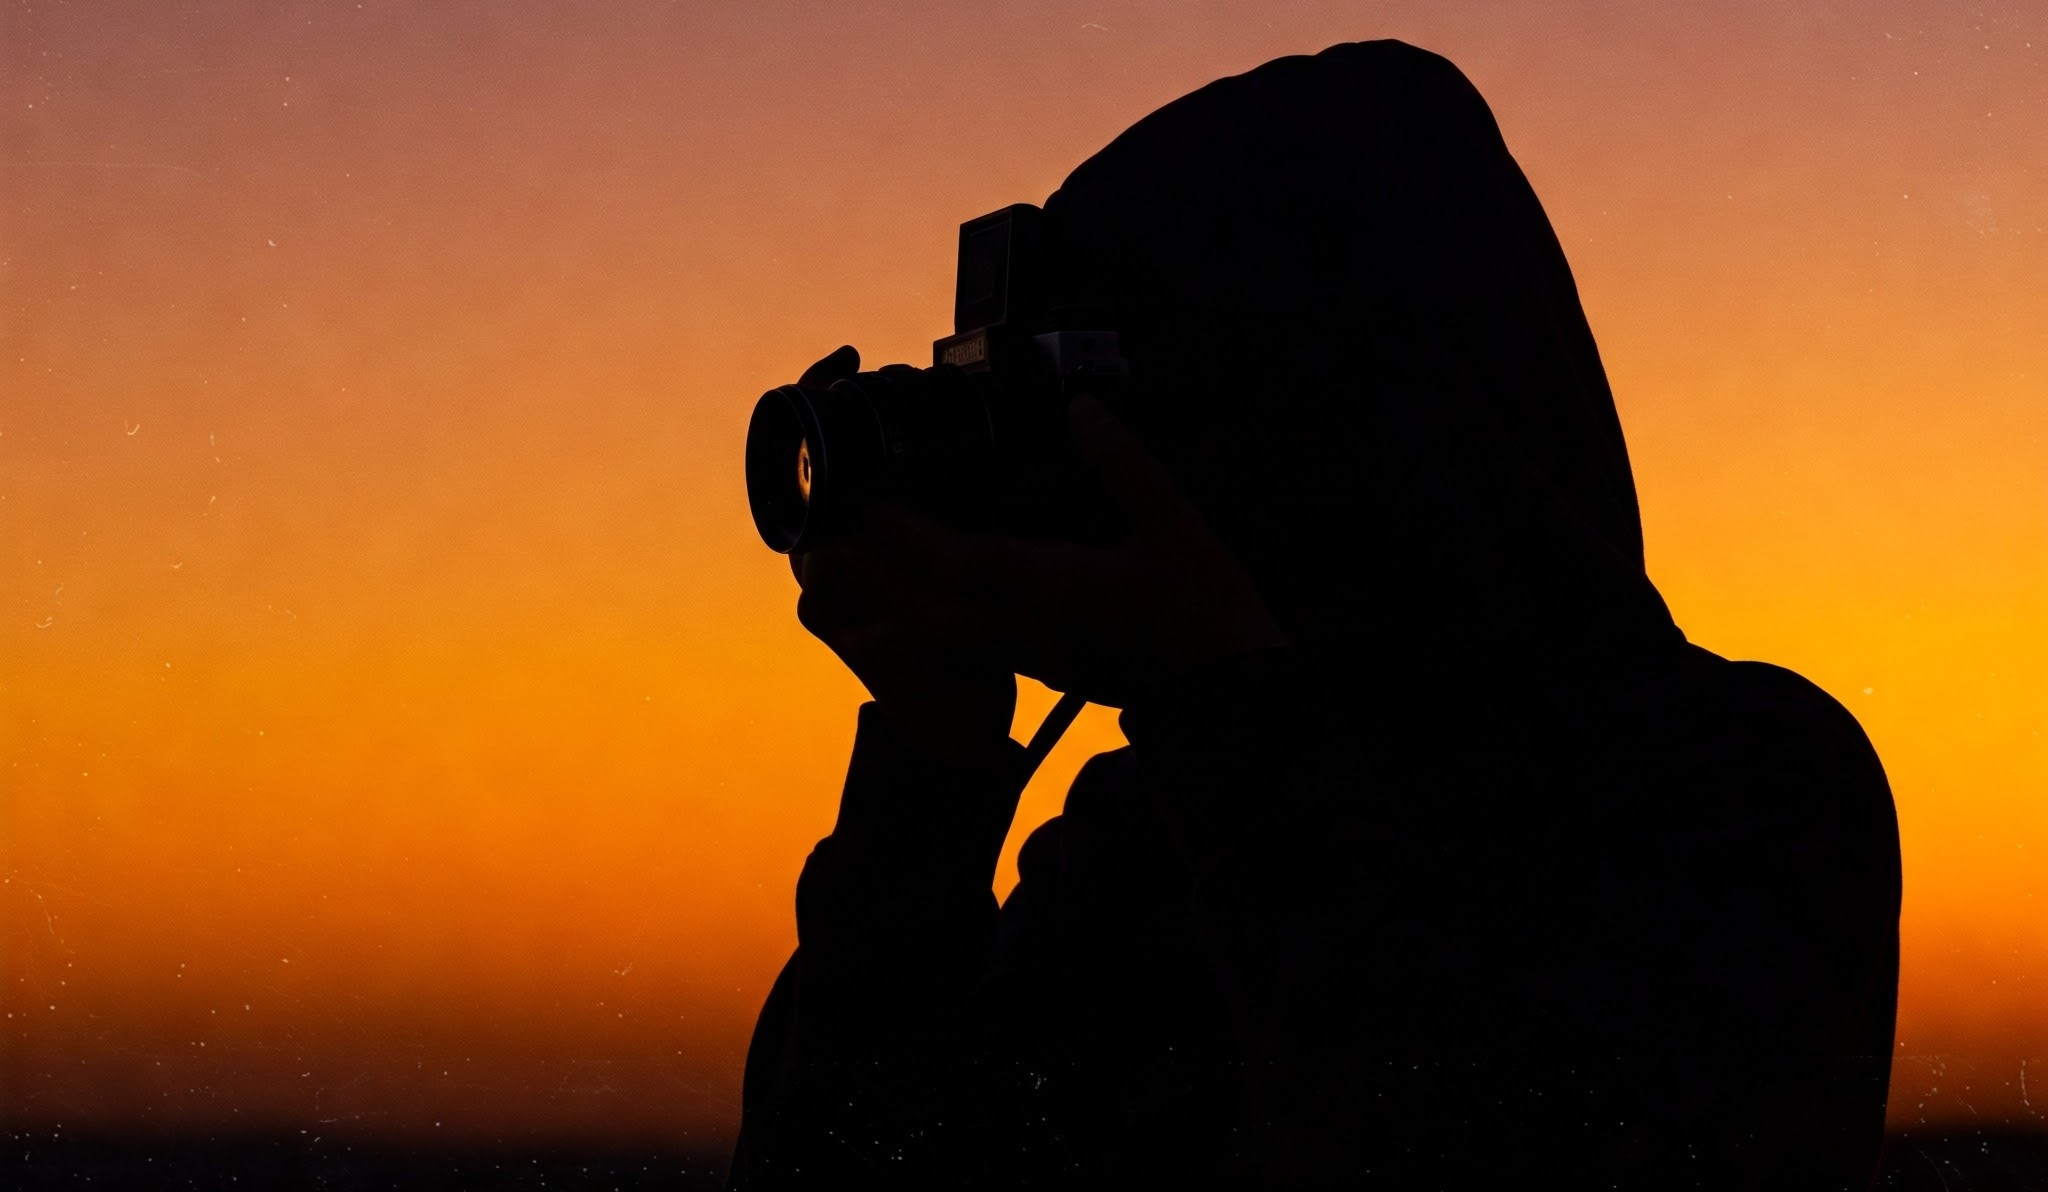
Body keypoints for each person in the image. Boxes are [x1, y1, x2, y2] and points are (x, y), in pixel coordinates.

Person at [727, 39, 1901, 1190]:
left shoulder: (1742, 780)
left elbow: (1463, 1145)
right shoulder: (1151, 829)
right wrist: (929, 768)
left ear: (1341, 399)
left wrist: (1220, 706)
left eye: (1114, 394)